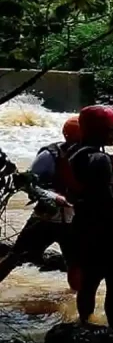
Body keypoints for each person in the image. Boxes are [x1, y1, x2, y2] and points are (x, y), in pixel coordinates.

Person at [67, 106, 113, 335]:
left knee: (88, 284)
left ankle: (84, 326)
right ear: (98, 131)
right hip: (105, 234)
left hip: (81, 229)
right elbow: (106, 202)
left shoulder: (74, 154)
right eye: (111, 129)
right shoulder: (100, 160)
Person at [0, 116, 82, 290]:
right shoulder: (49, 155)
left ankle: (77, 305)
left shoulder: (93, 156)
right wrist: (53, 197)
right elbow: (28, 184)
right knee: (15, 256)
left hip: (75, 220)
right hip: (46, 217)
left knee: (76, 264)